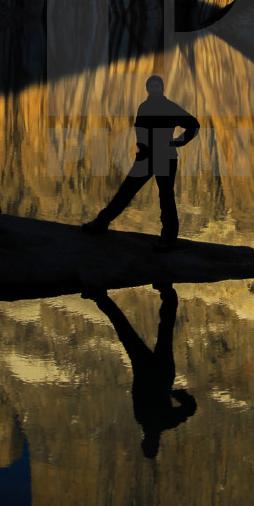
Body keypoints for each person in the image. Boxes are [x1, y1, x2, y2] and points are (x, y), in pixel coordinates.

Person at [81, 73, 199, 242]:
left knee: (166, 197)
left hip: (165, 158)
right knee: (126, 190)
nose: (154, 89)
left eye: (157, 86)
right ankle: (101, 222)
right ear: (147, 89)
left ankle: (169, 238)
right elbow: (140, 132)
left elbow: (194, 125)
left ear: (162, 88)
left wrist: (177, 142)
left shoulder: (170, 107)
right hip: (145, 157)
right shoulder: (143, 107)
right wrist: (141, 149)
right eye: (151, 86)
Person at [89, 284, 196, 458]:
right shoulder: (145, 419)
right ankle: (101, 298)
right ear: (147, 441)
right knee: (126, 331)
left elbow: (190, 408)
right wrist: (175, 394)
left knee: (162, 330)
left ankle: (168, 293)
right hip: (148, 371)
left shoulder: (165, 421)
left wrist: (176, 394)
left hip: (159, 373)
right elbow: (138, 393)